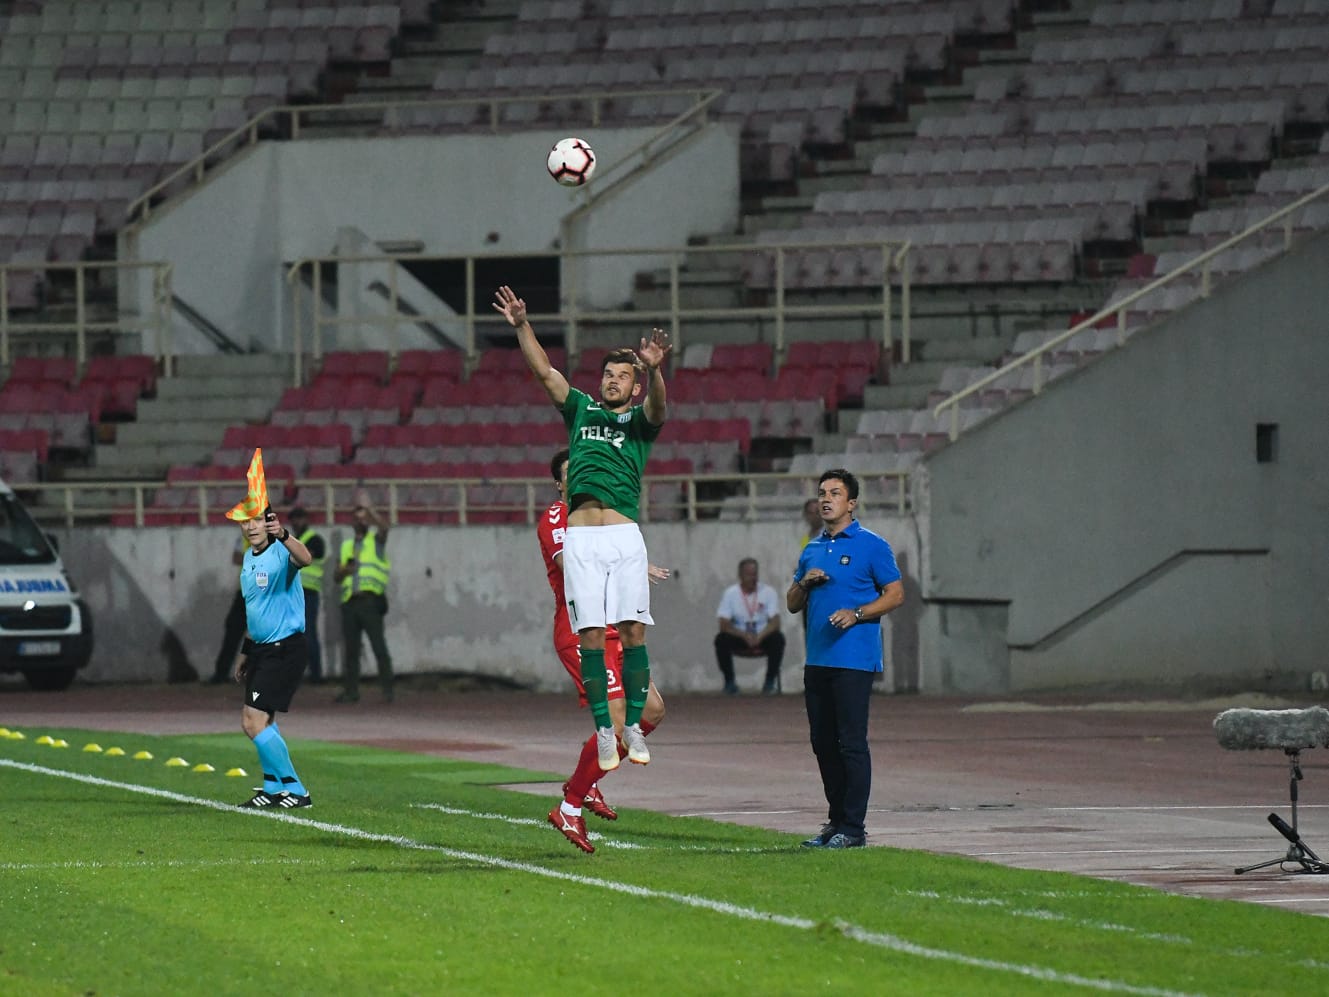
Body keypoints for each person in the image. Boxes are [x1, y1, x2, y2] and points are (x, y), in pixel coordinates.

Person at [494, 284, 669, 772]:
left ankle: (631, 724)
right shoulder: (582, 410)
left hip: (623, 535)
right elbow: (545, 372)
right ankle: (604, 730)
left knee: (633, 631)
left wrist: (654, 370)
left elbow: (659, 407)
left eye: (622, 376)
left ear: (634, 385)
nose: (612, 381)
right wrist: (523, 326)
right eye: (608, 374)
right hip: (584, 539)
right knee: (591, 634)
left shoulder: (639, 421)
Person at [538, 448, 668, 853]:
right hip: (581, 631)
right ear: (561, 484)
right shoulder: (557, 518)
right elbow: (568, 563)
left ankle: (587, 780)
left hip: (615, 628)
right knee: (616, 726)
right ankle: (570, 805)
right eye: (571, 474)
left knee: (651, 712)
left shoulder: (604, 521)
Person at [787, 468, 904, 849]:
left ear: (851, 503)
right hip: (818, 659)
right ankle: (836, 821)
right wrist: (804, 583)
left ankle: (853, 828)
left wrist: (856, 613)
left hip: (854, 660)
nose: (826, 498)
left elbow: (895, 594)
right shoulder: (812, 548)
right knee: (822, 742)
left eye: (835, 493)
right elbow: (791, 603)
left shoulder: (873, 545)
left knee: (851, 742)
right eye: (822, 492)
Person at [225, 450, 315, 809]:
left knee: (251, 721)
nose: (249, 527)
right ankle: (273, 788)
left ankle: (297, 790)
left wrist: (286, 535)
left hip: (285, 648)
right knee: (263, 720)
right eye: (244, 522)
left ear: (268, 523)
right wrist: (245, 653)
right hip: (262, 649)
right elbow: (255, 611)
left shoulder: (281, 550)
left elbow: (306, 559)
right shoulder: (248, 558)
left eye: (255, 521)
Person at [333, 493, 394, 703]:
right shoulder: (346, 547)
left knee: (378, 646)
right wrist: (344, 571)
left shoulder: (375, 542)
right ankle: (351, 691)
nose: (360, 520)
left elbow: (385, 527)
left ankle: (388, 690)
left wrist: (371, 510)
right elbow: (337, 577)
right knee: (351, 651)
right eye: (357, 517)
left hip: (369, 601)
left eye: (363, 517)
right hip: (350, 602)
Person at [714, 557, 785, 695]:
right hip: (740, 637)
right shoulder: (730, 594)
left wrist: (759, 636)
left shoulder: (768, 592)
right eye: (749, 575)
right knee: (721, 639)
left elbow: (775, 622)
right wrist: (744, 636)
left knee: (778, 639)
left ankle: (769, 683)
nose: (753, 578)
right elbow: (723, 624)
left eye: (755, 574)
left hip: (762, 636)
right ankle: (730, 683)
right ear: (740, 576)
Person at [288, 505, 327, 683]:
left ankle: (316, 675)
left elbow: (302, 557)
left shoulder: (314, 540)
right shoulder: (293, 540)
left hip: (307, 594)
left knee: (308, 635)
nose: (296, 522)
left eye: (299, 518)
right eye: (294, 519)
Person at [207, 539, 247, 684]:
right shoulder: (244, 538)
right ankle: (221, 674)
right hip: (244, 594)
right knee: (232, 631)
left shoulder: (271, 536)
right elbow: (236, 558)